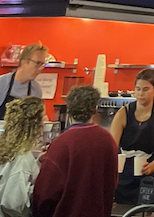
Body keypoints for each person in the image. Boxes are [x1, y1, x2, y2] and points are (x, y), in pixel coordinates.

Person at [32, 86, 116, 217]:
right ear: (94, 109)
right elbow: (112, 182)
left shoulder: (61, 143)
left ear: (69, 111)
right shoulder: (108, 140)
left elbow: (45, 193)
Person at [109, 69, 154, 213]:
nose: (140, 94)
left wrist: (151, 167)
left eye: (145, 89)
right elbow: (111, 148)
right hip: (122, 175)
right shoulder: (123, 113)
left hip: (146, 176)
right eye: (138, 89)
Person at [0, 97, 45, 217]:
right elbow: (14, 204)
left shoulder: (8, 149)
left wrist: (38, 163)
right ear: (35, 124)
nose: (45, 121)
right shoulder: (22, 157)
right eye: (43, 117)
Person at [0, 45, 49, 120]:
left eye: (42, 64)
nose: (40, 69)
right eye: (37, 63)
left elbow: (40, 117)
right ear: (24, 62)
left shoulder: (36, 89)